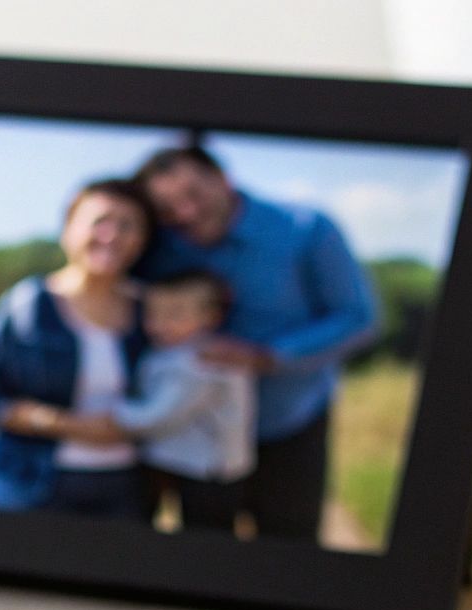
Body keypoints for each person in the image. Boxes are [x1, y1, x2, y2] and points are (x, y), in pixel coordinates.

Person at [133, 146, 378, 541]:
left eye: (193, 195)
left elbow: (357, 318)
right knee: (202, 553)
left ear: (223, 179)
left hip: (288, 423)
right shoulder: (160, 245)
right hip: (198, 433)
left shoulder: (306, 228)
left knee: (287, 552)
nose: (185, 213)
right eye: (167, 207)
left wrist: (267, 357)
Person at [0, 179, 154, 517]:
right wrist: (68, 425)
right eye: (99, 222)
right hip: (31, 481)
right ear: (68, 229)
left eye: (127, 225)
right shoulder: (28, 304)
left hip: (124, 487)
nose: (112, 235)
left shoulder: (153, 310)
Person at [76, 270, 255, 534]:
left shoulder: (204, 362)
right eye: (153, 314)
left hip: (207, 471)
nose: (160, 324)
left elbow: (159, 416)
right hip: (177, 461)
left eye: (175, 314)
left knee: (208, 544)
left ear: (210, 317)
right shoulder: (171, 351)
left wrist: (112, 413)